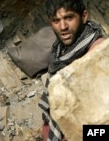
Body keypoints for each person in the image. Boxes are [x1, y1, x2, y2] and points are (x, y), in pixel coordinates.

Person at [38, 0, 105, 141]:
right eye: (56, 20)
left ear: (84, 16)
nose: (63, 27)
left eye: (69, 18)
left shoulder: (99, 55)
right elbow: (52, 112)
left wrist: (77, 135)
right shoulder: (58, 54)